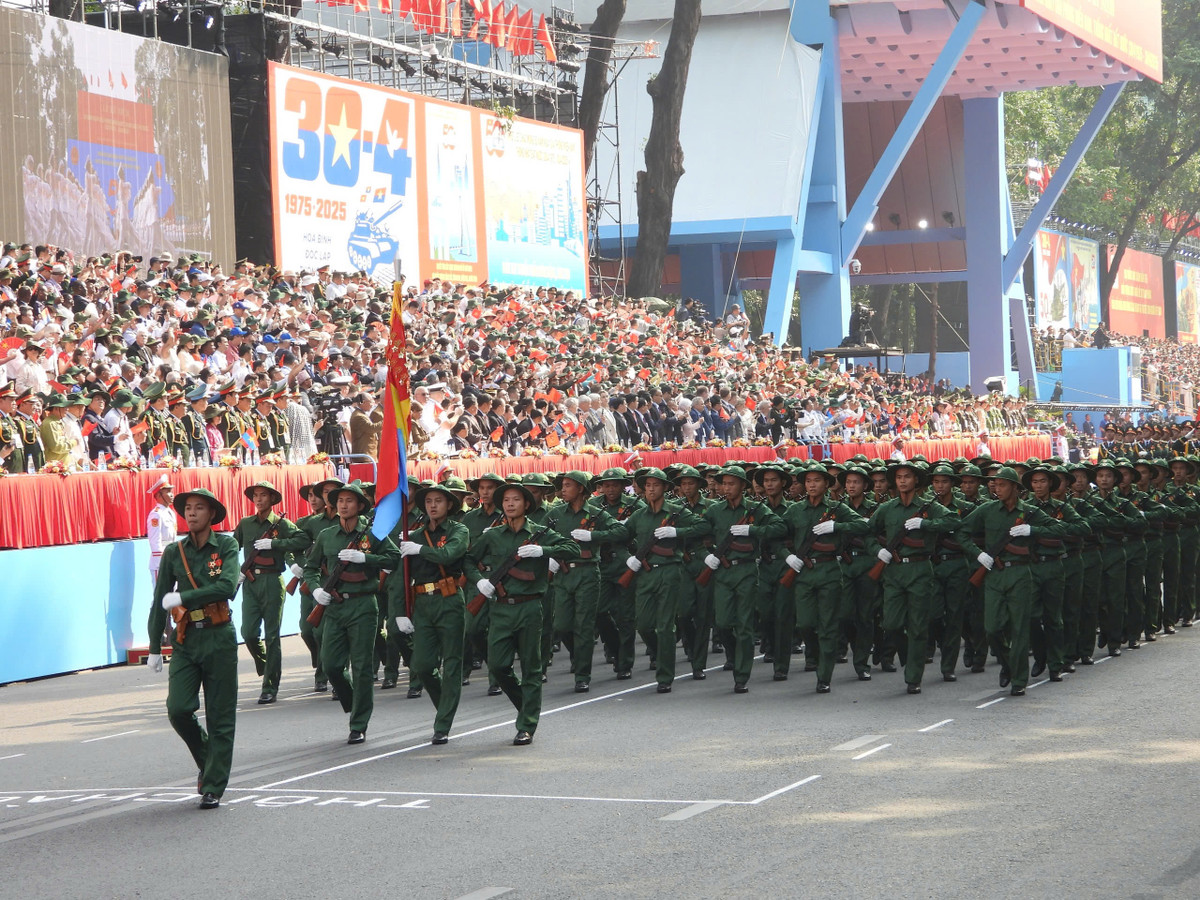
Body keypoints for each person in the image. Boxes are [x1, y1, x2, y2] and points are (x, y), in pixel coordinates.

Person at [145, 487, 239, 810]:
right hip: (186, 639)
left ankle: (213, 784)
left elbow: (227, 586)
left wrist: (184, 598)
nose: (192, 513)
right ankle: (207, 757)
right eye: (188, 508)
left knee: (220, 715)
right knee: (179, 709)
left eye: (200, 508)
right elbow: (160, 601)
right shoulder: (174, 552)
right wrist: (155, 644)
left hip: (218, 636)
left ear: (212, 514)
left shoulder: (226, 545)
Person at [468, 481, 578, 745]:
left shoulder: (540, 533)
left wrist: (545, 551)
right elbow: (469, 559)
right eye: (505, 500)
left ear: (526, 504)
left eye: (516, 499)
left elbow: (573, 549)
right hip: (501, 609)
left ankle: (527, 724)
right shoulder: (492, 535)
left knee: (531, 668)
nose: (510, 504)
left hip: (530, 607)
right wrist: (478, 580)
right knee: (498, 666)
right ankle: (526, 705)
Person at [303, 481, 399, 744]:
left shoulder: (373, 534)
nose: (344, 505)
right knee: (332, 664)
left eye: (349, 501)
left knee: (361, 666)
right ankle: (354, 701)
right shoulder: (326, 535)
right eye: (340, 501)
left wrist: (366, 558)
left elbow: (394, 558)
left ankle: (358, 723)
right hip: (334, 606)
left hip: (363, 605)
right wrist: (315, 590)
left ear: (359, 506)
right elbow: (310, 567)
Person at [867, 461, 957, 694]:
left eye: (907, 476)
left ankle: (913, 677)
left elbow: (954, 521)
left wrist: (925, 523)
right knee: (891, 624)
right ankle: (908, 654)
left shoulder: (929, 506)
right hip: (894, 571)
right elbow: (868, 531)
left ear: (916, 480)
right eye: (899, 477)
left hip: (919, 570)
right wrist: (877, 551)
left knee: (917, 626)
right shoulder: (887, 508)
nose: (903, 481)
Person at [780, 462, 869, 693]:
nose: (811, 485)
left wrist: (836, 526)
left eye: (816, 480)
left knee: (828, 626)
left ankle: (824, 676)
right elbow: (777, 534)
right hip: (804, 573)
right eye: (807, 481)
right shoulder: (795, 510)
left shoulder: (837, 508)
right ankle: (817, 653)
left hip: (829, 571)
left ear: (827, 484)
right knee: (806, 624)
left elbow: (862, 525)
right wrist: (787, 557)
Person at [618, 467, 708, 693]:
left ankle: (665, 676)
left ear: (666, 488)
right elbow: (619, 538)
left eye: (655, 485)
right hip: (645, 574)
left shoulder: (677, 512)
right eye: (647, 485)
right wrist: (627, 558)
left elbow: (703, 527)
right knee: (644, 625)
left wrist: (677, 533)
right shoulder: (639, 515)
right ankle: (663, 653)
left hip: (670, 571)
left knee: (665, 626)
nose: (650, 489)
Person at [397, 479, 471, 744]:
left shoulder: (458, 530)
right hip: (423, 603)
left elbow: (450, 555)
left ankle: (443, 724)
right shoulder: (413, 535)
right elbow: (401, 577)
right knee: (423, 665)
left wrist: (420, 550)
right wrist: (400, 611)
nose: (432, 506)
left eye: (438, 501)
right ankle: (445, 706)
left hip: (449, 599)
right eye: (428, 501)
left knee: (451, 663)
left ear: (449, 504)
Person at [701, 465, 785, 693]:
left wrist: (752, 530)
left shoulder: (755, 509)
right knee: (723, 624)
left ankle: (741, 675)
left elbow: (779, 527)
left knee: (745, 625)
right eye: (723, 484)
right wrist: (706, 555)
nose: (726, 488)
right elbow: (698, 532)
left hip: (747, 571)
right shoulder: (715, 510)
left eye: (731, 484)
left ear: (742, 487)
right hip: (722, 572)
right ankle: (732, 653)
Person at [548, 470, 624, 693]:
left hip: (588, 573)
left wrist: (594, 537)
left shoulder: (595, 513)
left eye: (568, 485)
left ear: (581, 489)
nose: (563, 489)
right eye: (562, 485)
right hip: (563, 573)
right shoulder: (556, 513)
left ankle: (582, 675)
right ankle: (578, 655)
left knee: (584, 626)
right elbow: (539, 531)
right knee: (561, 625)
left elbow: (620, 530)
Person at [232, 480, 308, 704]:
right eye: (255, 495)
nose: (258, 499)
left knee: (272, 635)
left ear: (272, 499)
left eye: (263, 495)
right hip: (250, 582)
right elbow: (229, 548)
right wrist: (236, 571)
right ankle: (267, 667)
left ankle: (270, 687)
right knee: (248, 633)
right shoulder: (246, 523)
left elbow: (302, 539)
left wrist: (275, 544)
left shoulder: (280, 523)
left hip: (272, 580)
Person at [145, 475, 177, 591]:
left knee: (173, 596)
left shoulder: (170, 512)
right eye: (168, 492)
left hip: (171, 558)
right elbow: (155, 541)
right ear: (159, 495)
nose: (172, 494)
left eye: (171, 491)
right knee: (161, 596)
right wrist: (162, 564)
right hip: (161, 561)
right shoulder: (156, 514)